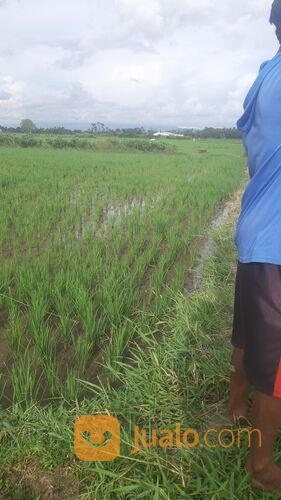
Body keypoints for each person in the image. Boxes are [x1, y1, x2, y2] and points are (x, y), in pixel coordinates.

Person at [227, 0, 281, 493]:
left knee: (248, 336)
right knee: (278, 363)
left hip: (256, 231)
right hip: (279, 244)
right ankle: (262, 466)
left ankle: (233, 409)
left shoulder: (267, 74)